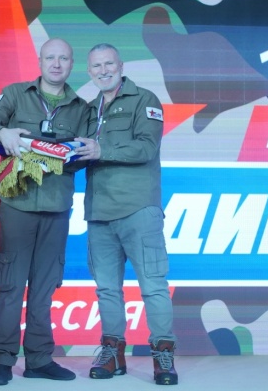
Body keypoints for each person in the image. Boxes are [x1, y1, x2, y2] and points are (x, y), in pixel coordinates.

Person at [0, 38, 89, 386]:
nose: (56, 64)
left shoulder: (81, 108)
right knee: (11, 284)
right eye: (50, 57)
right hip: (17, 205)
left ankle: (39, 360)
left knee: (44, 287)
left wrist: (63, 154)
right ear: (40, 61)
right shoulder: (15, 94)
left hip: (57, 208)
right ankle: (3, 360)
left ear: (71, 64)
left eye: (64, 58)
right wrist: (3, 132)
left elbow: (84, 155)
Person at [75, 43, 178, 386]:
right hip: (99, 213)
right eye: (96, 66)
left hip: (138, 210)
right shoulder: (88, 110)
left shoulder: (144, 100)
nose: (103, 70)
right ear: (89, 72)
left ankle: (163, 355)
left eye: (109, 64)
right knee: (106, 289)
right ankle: (113, 353)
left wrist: (101, 148)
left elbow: (146, 147)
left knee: (153, 287)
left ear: (120, 66)